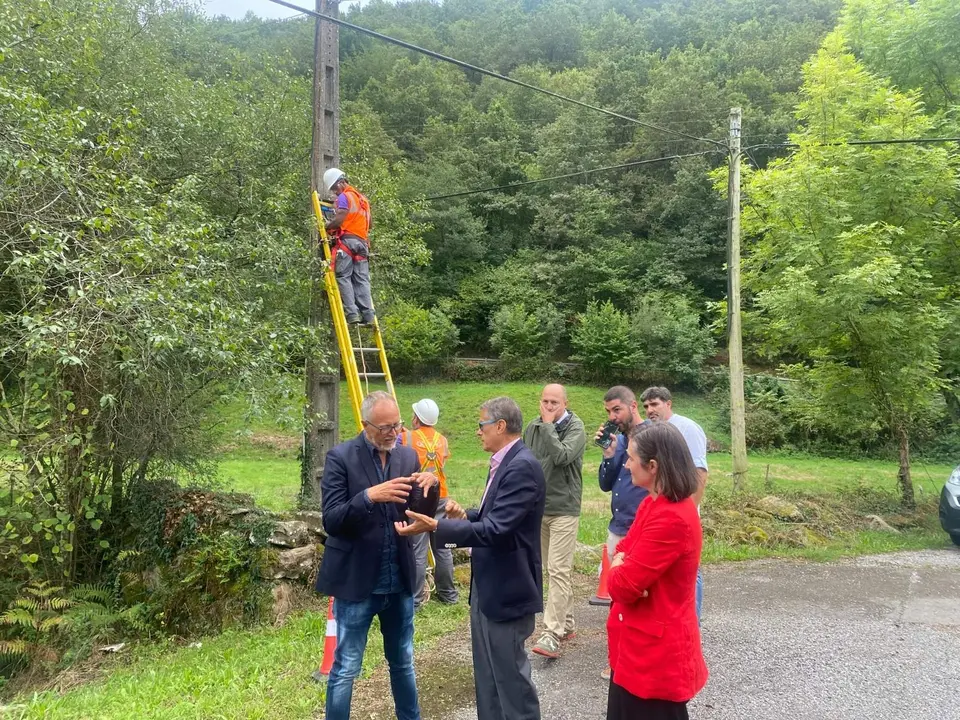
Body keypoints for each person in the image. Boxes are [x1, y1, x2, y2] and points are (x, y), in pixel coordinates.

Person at [397, 397, 545, 720]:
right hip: (488, 588)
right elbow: (493, 514)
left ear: (500, 426)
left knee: (511, 684)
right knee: (488, 680)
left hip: (507, 590)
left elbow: (497, 530)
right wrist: (467, 514)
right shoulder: (504, 461)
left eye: (481, 426)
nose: (478, 432)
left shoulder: (522, 467)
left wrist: (438, 526)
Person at [315, 391, 439, 720]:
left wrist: (431, 485)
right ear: (365, 424)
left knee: (402, 662)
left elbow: (417, 513)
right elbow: (332, 520)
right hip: (357, 583)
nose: (394, 433)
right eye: (385, 427)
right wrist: (369, 496)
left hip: (398, 581)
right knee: (345, 669)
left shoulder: (407, 457)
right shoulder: (340, 458)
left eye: (397, 425)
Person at [606, 422, 708, 720]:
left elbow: (622, 586)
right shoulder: (653, 505)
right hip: (637, 652)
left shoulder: (671, 517)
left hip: (655, 660)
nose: (626, 464)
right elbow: (622, 549)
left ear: (652, 466)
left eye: (631, 458)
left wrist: (620, 564)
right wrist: (622, 561)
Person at [524, 384, 587, 659]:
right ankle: (568, 622)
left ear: (565, 403)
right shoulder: (532, 427)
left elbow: (562, 456)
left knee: (558, 570)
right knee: (551, 570)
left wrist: (548, 426)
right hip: (539, 508)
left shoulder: (576, 428)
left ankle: (551, 633)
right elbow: (524, 461)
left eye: (554, 403)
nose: (548, 407)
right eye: (545, 402)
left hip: (564, 508)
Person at [639, 386, 709, 618]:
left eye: (655, 404)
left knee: (688, 571)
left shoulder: (687, 428)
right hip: (659, 513)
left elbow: (700, 474)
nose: (650, 410)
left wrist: (687, 511)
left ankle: (692, 622)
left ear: (669, 404)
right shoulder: (651, 431)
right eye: (646, 406)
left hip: (681, 515)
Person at [399, 398, 458, 609]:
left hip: (419, 499)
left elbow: (401, 444)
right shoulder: (442, 440)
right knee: (442, 547)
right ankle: (449, 594)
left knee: (418, 548)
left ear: (416, 418)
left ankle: (415, 601)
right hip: (441, 496)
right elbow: (439, 457)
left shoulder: (404, 436)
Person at [595, 386, 648, 561]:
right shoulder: (617, 441)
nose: (612, 417)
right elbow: (604, 485)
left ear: (633, 406)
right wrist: (608, 455)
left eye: (617, 410)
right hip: (617, 528)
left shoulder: (653, 436)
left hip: (643, 529)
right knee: (612, 584)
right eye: (608, 411)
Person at [322, 167, 374, 325]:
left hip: (348, 243)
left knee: (344, 276)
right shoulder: (363, 200)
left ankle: (352, 314)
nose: (335, 193)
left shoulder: (345, 197)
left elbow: (340, 219)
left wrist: (327, 226)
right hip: (362, 244)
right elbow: (369, 224)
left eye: (334, 189)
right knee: (361, 279)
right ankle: (368, 315)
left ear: (340, 184)